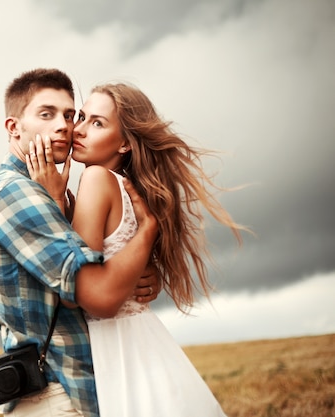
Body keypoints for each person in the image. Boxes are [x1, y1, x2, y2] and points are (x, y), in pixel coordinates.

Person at [28, 81, 249, 416]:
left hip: (117, 346)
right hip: (143, 338)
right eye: (83, 117)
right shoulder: (127, 189)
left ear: (126, 144)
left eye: (98, 123)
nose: (79, 130)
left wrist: (54, 201)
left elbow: (73, 290)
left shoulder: (96, 179)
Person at [0, 69, 161, 417]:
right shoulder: (14, 193)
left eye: (71, 115)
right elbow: (95, 294)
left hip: (80, 389)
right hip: (56, 394)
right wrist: (147, 232)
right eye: (47, 114)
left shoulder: (53, 192)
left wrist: (138, 276)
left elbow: (92, 262)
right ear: (14, 127)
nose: (65, 126)